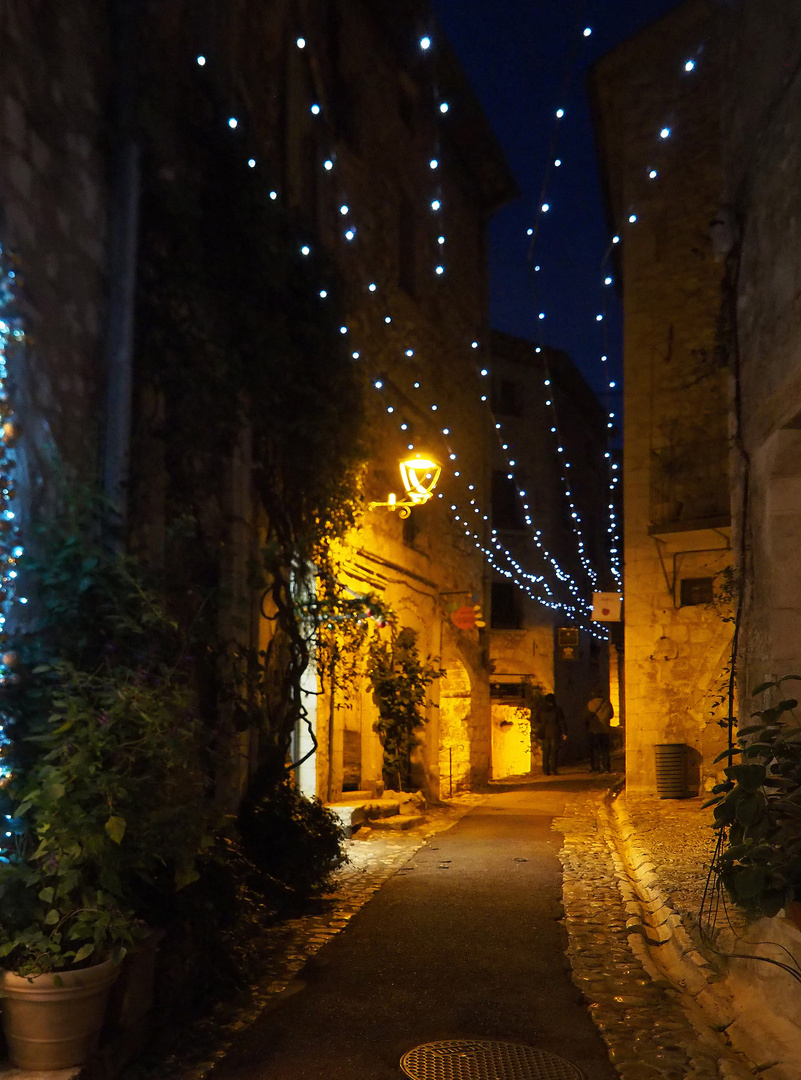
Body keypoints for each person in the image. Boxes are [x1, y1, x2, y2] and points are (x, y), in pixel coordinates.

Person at [533, 692, 567, 776]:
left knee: (545, 752)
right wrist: (564, 732)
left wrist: (539, 727)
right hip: (555, 732)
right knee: (554, 752)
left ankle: (546, 770)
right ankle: (553, 770)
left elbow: (535, 720)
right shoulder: (557, 710)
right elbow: (561, 722)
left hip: (544, 733)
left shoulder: (541, 710)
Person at [586, 690, 613, 772]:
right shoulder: (607, 704)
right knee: (605, 750)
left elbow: (586, 717)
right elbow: (611, 716)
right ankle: (606, 767)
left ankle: (595, 766)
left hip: (594, 730)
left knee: (594, 750)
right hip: (605, 730)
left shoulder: (590, 704)